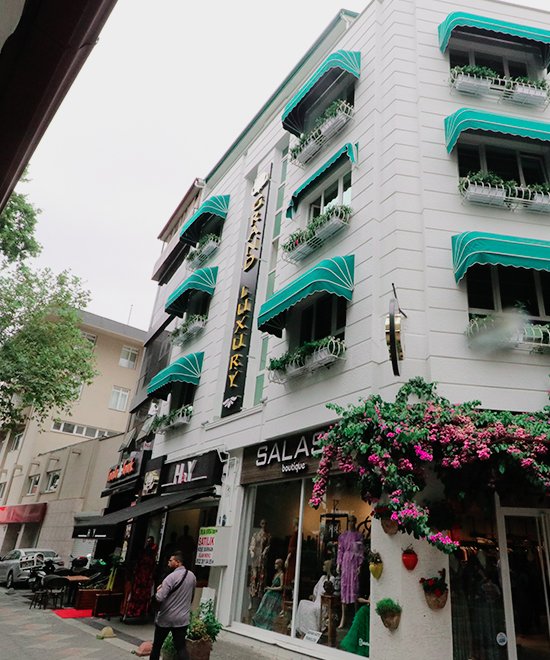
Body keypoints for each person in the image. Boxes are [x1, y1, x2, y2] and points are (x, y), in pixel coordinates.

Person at [150, 550, 196, 660]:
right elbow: (192, 596)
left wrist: (158, 590)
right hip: (182, 618)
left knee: (157, 646)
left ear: (178, 562)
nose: (168, 563)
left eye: (171, 561)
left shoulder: (170, 578)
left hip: (166, 618)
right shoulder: (192, 576)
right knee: (181, 647)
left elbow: (159, 597)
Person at [295, 559, 335, 636]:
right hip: (316, 601)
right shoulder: (322, 577)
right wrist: (314, 595)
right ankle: (302, 629)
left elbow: (327, 591)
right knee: (302, 602)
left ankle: (314, 632)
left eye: (324, 565)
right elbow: (316, 588)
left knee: (312, 610)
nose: (323, 566)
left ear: (328, 567)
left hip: (323, 604)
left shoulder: (332, 578)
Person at [124, 535, 158, 620]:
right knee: (138, 595)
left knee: (141, 596)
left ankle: (137, 611)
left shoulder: (149, 556)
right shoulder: (146, 556)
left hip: (144, 579)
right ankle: (136, 611)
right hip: (141, 579)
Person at [252, 558, 284, 630]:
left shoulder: (281, 575)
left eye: (276, 564)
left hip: (276, 595)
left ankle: (265, 623)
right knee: (264, 599)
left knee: (267, 602)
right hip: (271, 592)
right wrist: (268, 589)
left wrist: (270, 588)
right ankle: (258, 618)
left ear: (280, 565)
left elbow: (281, 587)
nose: (275, 565)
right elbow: (273, 585)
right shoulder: (276, 574)